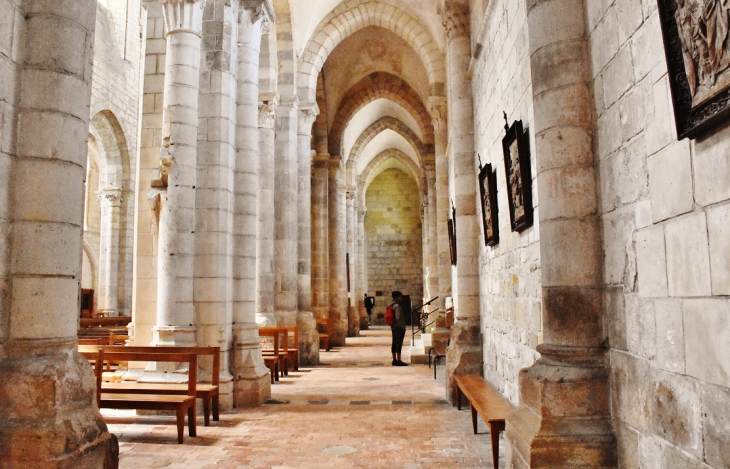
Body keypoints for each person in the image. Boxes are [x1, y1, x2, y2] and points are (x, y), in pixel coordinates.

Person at [390, 291, 408, 366]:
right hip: (398, 327)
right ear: (396, 297)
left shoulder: (391, 305)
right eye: (400, 297)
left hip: (393, 326)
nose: (401, 298)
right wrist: (402, 326)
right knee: (398, 343)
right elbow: (399, 317)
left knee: (394, 342)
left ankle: (394, 359)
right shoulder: (397, 306)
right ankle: (399, 360)